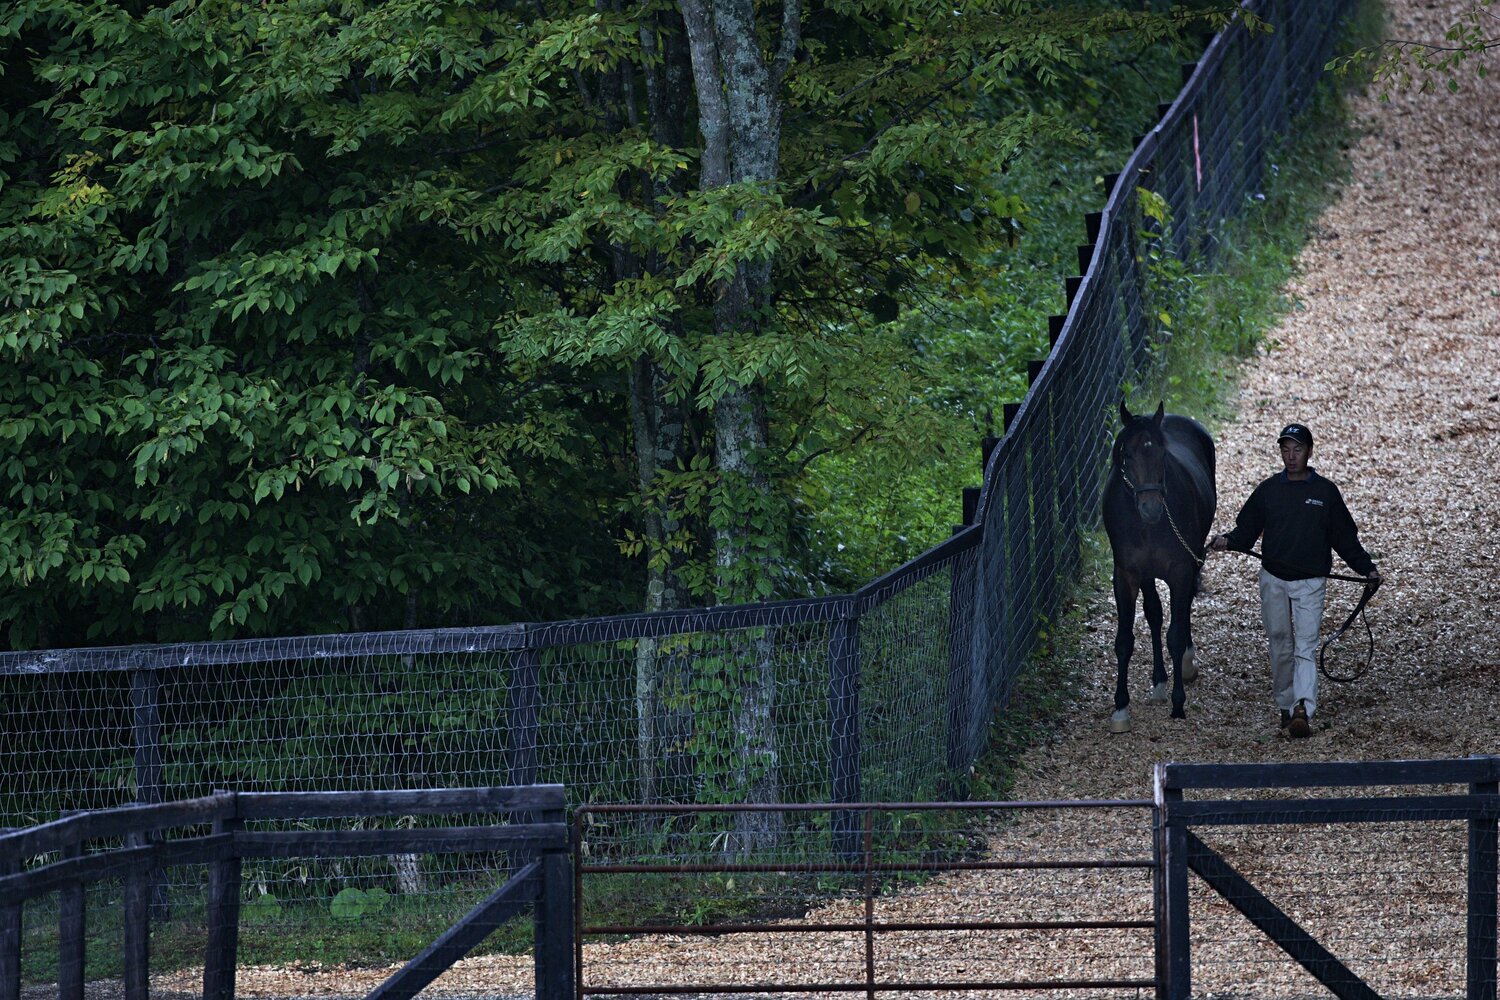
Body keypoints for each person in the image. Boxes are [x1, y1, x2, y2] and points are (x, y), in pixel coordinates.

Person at [1209, 423, 1381, 738]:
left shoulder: (1325, 493)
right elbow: (1246, 532)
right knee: (1279, 643)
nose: (1291, 456)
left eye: (1297, 449)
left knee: (1305, 645)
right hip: (1274, 578)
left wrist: (1366, 569)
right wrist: (1227, 541)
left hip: (1311, 582)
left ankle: (1303, 707)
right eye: (1286, 449)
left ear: (1309, 451)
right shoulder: (1268, 491)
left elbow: (1345, 539)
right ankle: (1286, 705)